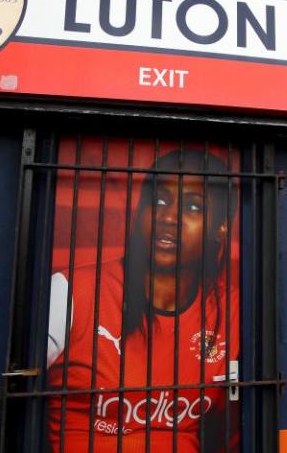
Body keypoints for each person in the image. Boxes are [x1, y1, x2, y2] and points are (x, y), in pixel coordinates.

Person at [46, 148, 239, 452]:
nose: (168, 217)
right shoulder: (72, 292)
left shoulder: (232, 312)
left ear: (221, 228)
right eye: (159, 201)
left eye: (192, 207)